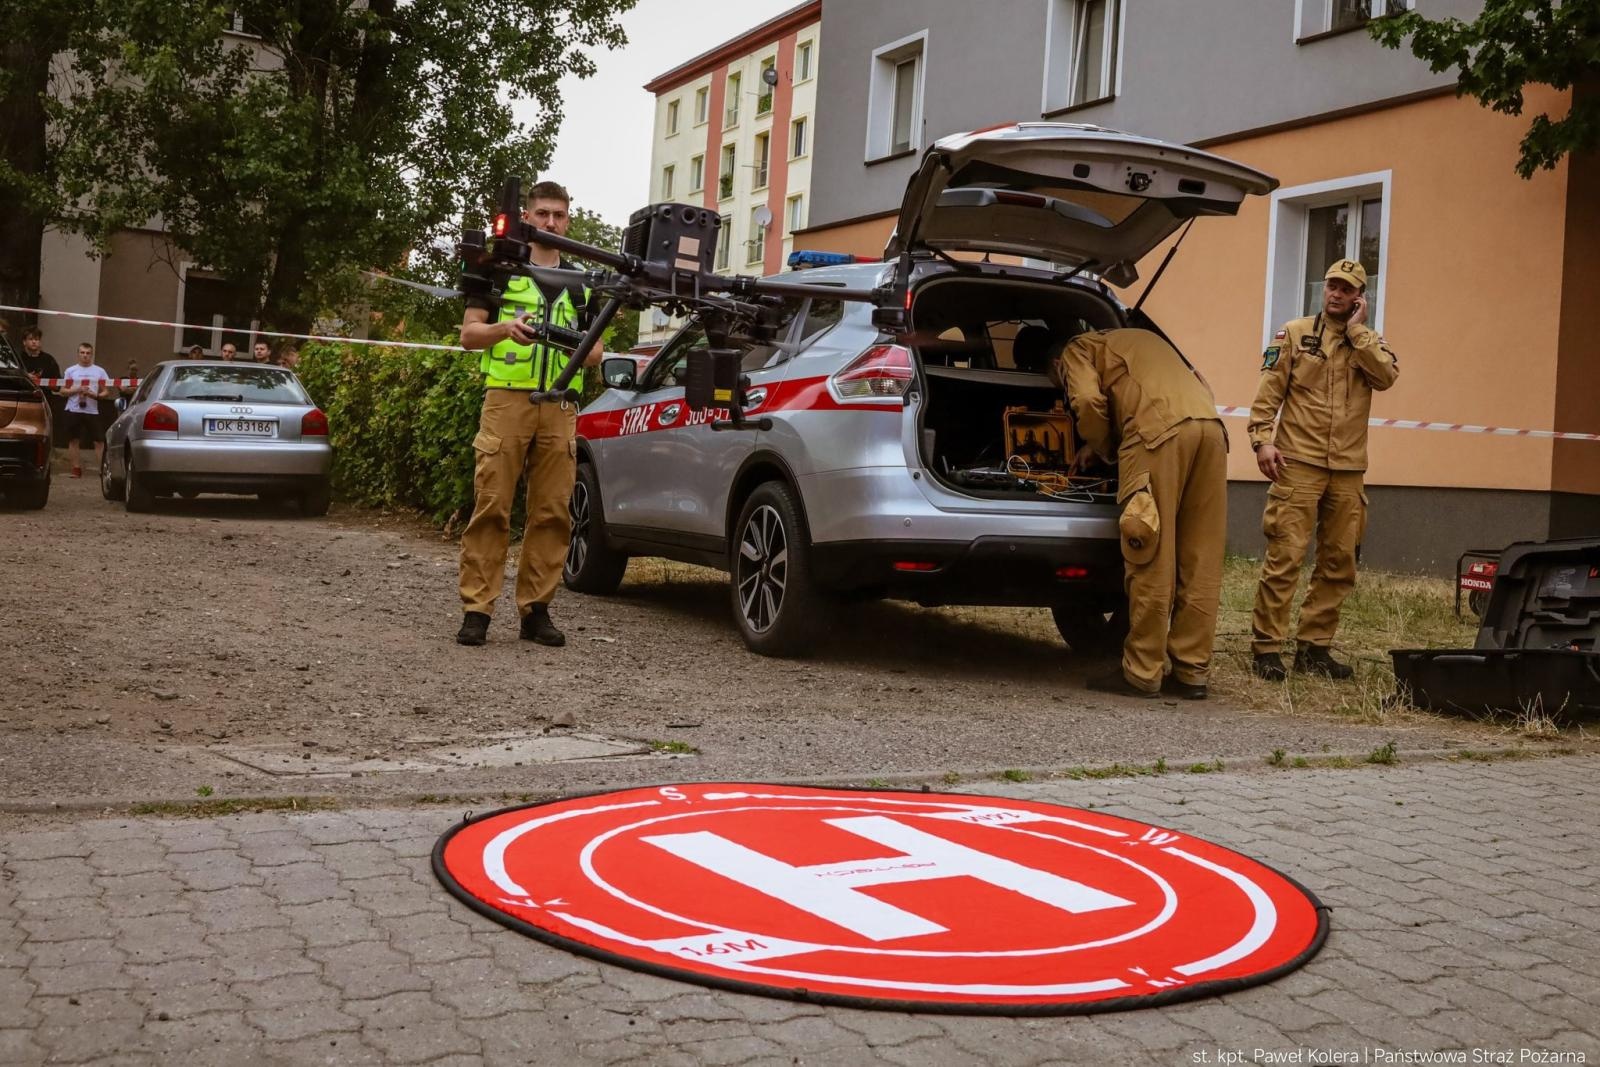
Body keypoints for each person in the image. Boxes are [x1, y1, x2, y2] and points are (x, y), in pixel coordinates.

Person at [454, 180, 602, 647]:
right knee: (491, 506)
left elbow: (597, 352)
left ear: (568, 220)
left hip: (560, 407)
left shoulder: (583, 283)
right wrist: (505, 328)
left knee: (553, 512)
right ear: (527, 217)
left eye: (559, 215)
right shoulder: (497, 271)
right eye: (542, 214)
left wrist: (573, 342)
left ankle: (536, 611)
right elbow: (469, 336)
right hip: (507, 401)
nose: (551, 223)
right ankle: (477, 610)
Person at [1054, 328, 1229, 700]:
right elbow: (1199, 380)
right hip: (1211, 430)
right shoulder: (1140, 336)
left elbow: (1086, 400)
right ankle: (1192, 671)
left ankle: (1141, 671)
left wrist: (1106, 449)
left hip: (1155, 435)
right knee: (1201, 558)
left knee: (1149, 550)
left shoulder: (1076, 348)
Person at [1247, 260, 1399, 681]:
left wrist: (1358, 333)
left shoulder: (1367, 343)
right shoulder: (1295, 334)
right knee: (1286, 557)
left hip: (1349, 470)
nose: (1335, 293)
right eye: (1331, 285)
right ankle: (1267, 648)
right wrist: (1262, 440)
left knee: (1339, 563)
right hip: (1298, 463)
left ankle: (1315, 647)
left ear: (1358, 298)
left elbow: (1387, 377)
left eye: (1345, 289)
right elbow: (1268, 391)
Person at [57, 343, 112, 478]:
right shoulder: (71, 371)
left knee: (99, 441)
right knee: (73, 440)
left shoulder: (99, 371)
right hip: (73, 408)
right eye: (82, 353)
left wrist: (96, 395)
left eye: (88, 353)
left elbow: (107, 392)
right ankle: (76, 469)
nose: (85, 356)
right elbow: (62, 391)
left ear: (91, 355)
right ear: (78, 354)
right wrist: (77, 390)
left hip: (92, 410)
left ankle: (102, 470)